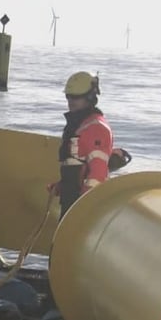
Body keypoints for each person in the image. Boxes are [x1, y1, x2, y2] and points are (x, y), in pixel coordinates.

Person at [48, 72, 114, 218]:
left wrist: (84, 205)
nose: (70, 101)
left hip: (81, 205)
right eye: (68, 96)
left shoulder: (96, 127)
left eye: (76, 97)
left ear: (89, 98)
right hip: (71, 199)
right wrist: (62, 186)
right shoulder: (79, 125)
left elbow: (97, 173)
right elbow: (78, 164)